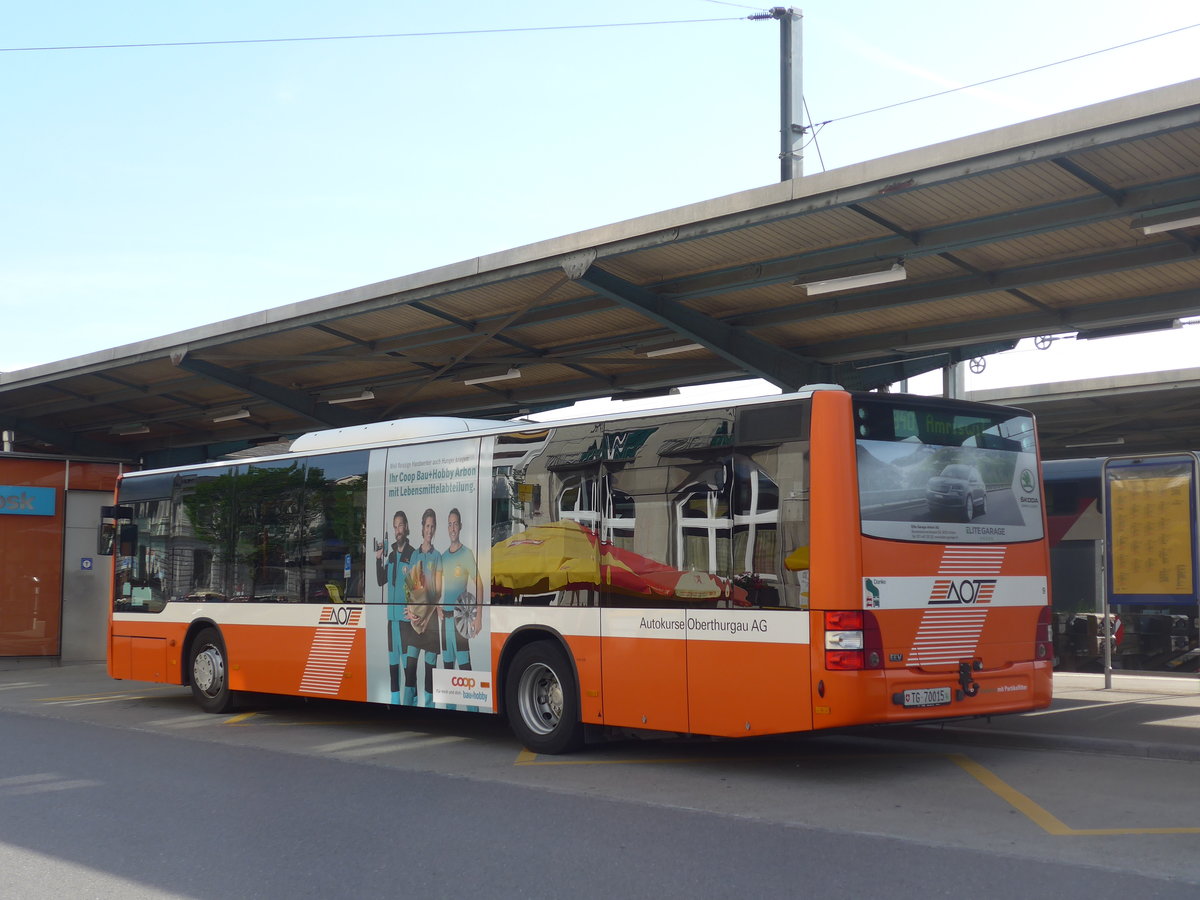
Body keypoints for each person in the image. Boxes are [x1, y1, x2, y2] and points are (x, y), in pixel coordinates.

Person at [439, 507, 482, 711]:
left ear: (461, 526)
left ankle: (473, 712)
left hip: (460, 621)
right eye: (450, 524)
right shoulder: (443, 556)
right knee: (448, 670)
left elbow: (479, 584)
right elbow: (439, 587)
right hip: (444, 621)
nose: (452, 527)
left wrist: (478, 617)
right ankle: (450, 713)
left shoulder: (467, 554)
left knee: (465, 668)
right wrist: (437, 605)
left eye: (455, 523)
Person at [375, 510, 414, 704]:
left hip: (406, 621)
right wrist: (377, 559)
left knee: (408, 664)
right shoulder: (390, 556)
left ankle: (410, 700)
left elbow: (420, 587)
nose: (398, 530)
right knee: (393, 663)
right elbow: (381, 581)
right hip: (391, 620)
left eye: (400, 525)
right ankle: (395, 700)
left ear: (406, 528)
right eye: (395, 526)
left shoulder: (413, 554)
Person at [409, 508, 443, 706]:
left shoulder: (437, 556)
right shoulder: (414, 555)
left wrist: (426, 614)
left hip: (430, 622)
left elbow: (437, 592)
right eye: (427, 526)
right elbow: (410, 589)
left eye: (432, 526)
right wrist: (411, 611)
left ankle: (429, 709)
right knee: (410, 667)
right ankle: (409, 707)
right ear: (422, 528)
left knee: (430, 671)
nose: (429, 530)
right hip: (415, 621)